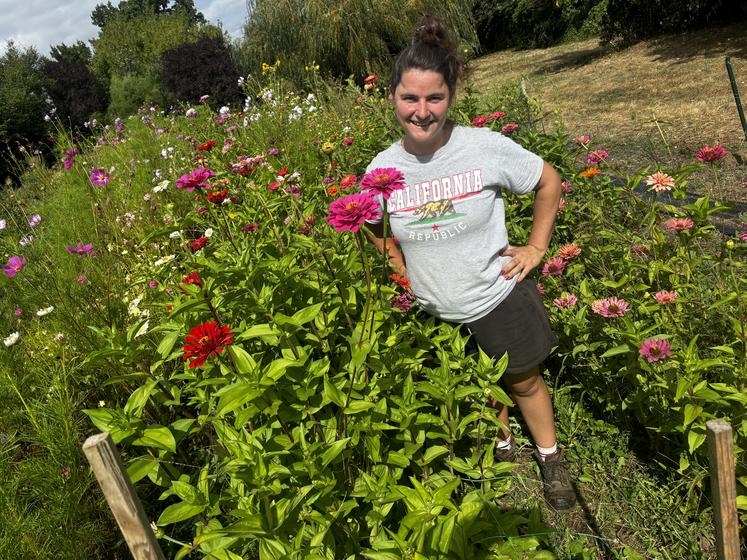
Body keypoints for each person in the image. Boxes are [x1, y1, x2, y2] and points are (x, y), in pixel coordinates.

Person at [364, 15, 575, 510]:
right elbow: (370, 222)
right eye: (409, 98)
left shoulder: (482, 147)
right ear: (392, 97)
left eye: (434, 98)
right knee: (478, 384)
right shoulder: (381, 169)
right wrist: (397, 265)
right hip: (435, 307)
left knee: (523, 380)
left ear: (451, 97)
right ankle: (501, 448)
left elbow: (550, 180)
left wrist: (536, 248)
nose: (421, 111)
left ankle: (549, 456)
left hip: (496, 295)